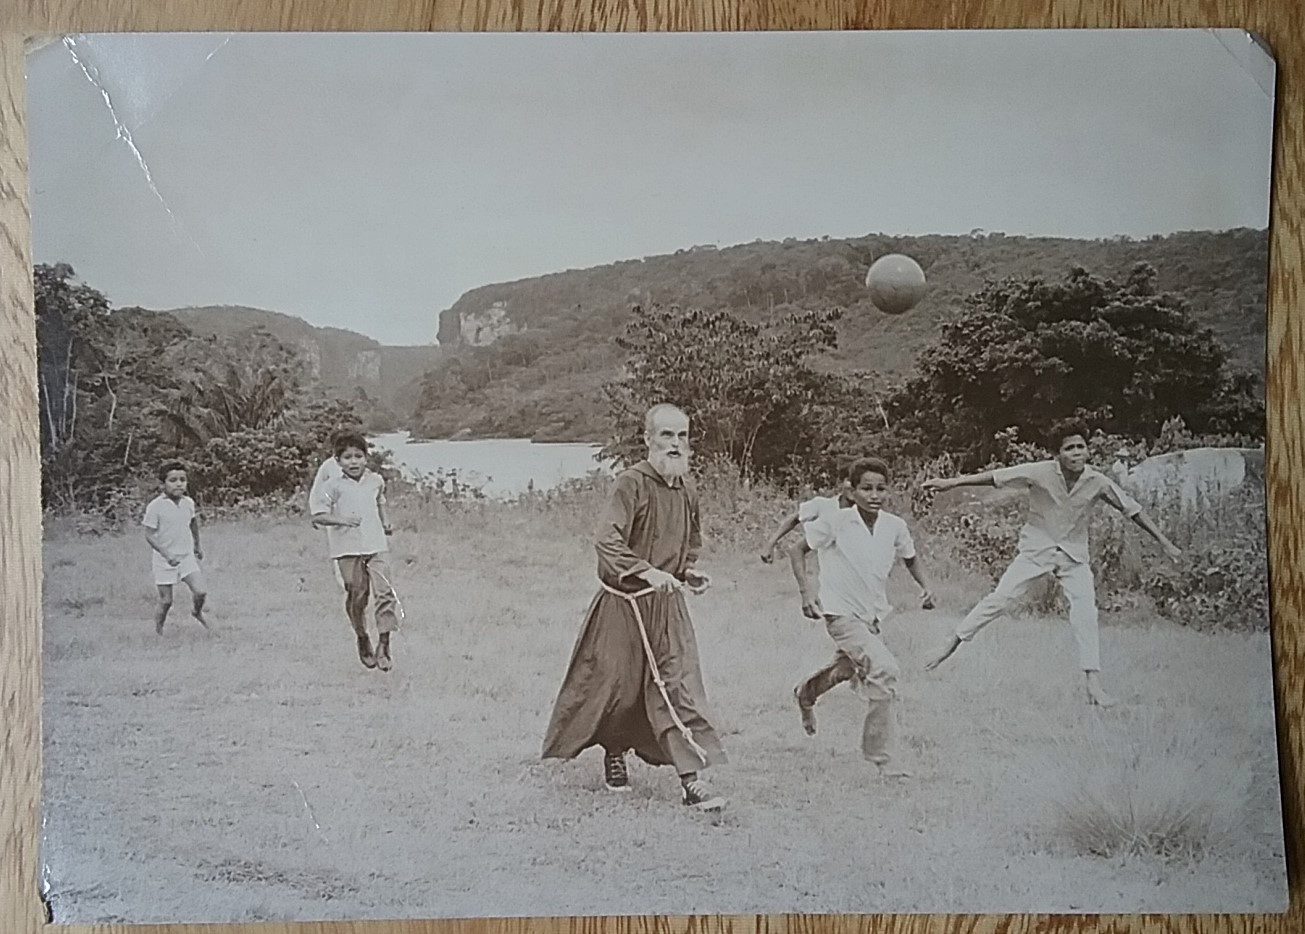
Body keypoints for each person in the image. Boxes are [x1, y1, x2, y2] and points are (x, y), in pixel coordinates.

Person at [920, 418, 1183, 708]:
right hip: (1036, 550)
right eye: (1069, 448)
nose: (1076, 454)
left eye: (1081, 447)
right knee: (1000, 599)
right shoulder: (1040, 472)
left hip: (1073, 556)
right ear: (1057, 453)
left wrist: (1165, 542)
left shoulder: (1097, 481)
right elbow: (995, 477)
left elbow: (1132, 509)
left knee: (1085, 612)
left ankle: (1093, 685)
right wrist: (951, 483)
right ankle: (949, 646)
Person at [542, 403, 726, 811]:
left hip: (667, 608)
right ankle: (614, 752)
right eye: (667, 435)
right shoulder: (631, 483)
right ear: (648, 439)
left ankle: (692, 782)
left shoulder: (687, 487)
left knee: (675, 688)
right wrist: (645, 572)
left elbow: (688, 541)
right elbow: (607, 542)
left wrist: (687, 571)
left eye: (682, 436)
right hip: (624, 606)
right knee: (617, 690)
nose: (676, 444)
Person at [788, 457, 934, 777]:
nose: (874, 495)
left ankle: (806, 693)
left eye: (881, 488)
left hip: (872, 616)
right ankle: (882, 757)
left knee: (844, 670)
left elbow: (910, 558)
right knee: (884, 668)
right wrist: (806, 593)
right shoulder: (837, 522)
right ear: (852, 492)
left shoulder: (894, 526)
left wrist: (925, 587)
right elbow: (797, 550)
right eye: (866, 488)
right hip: (839, 613)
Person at [309, 432, 401, 671]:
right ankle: (362, 636)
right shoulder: (332, 486)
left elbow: (380, 501)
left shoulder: (375, 480)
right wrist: (340, 520)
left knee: (385, 592)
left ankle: (384, 644)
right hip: (347, 548)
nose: (353, 462)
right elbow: (318, 515)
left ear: (366, 458)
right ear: (337, 461)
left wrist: (386, 521)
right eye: (347, 457)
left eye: (358, 456)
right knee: (358, 594)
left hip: (376, 545)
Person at [142, 461, 210, 634]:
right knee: (166, 601)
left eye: (182, 479)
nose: (179, 484)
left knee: (201, 591)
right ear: (163, 484)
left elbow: (193, 524)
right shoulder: (156, 506)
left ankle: (196, 612)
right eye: (173, 480)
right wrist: (166, 554)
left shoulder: (188, 502)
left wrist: (197, 546)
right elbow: (149, 534)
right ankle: (158, 631)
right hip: (164, 559)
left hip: (186, 557)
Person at [759, 480, 852, 565]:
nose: (852, 486)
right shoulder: (824, 505)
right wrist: (770, 543)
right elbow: (795, 520)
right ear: (842, 482)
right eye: (850, 481)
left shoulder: (862, 514)